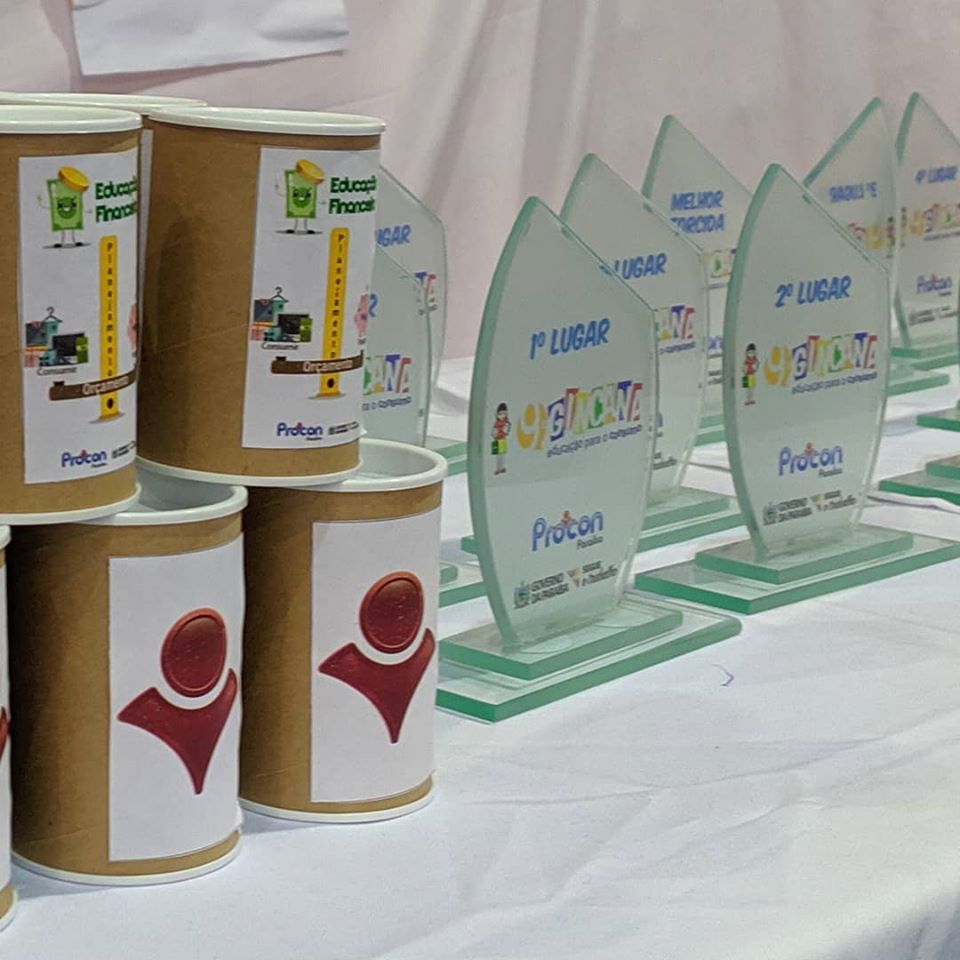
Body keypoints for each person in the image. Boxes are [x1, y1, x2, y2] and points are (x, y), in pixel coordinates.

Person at [491, 402, 511, 474]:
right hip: (496, 440)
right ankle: (498, 468)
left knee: (502, 454)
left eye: (504, 414)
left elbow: (507, 431)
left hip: (502, 439)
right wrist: (494, 434)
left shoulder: (506, 423)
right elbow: (493, 431)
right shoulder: (496, 423)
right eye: (500, 414)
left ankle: (502, 467)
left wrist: (505, 430)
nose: (502, 416)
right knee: (498, 455)